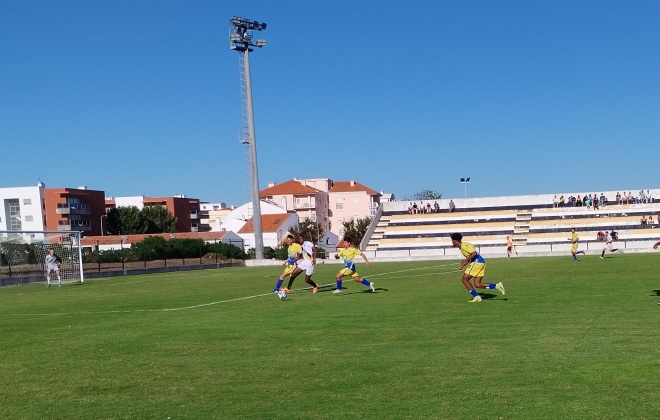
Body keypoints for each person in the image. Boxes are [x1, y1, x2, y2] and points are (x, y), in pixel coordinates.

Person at [450, 233, 505, 303]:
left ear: (455, 241)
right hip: (480, 262)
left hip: (477, 262)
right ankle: (497, 286)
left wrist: (466, 260)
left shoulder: (464, 245)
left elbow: (474, 253)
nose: (452, 243)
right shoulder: (462, 248)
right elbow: (470, 257)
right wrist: (464, 264)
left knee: (464, 279)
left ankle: (476, 297)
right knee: (477, 284)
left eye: (452, 241)